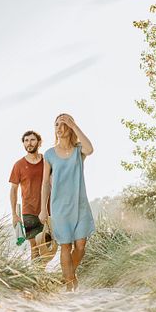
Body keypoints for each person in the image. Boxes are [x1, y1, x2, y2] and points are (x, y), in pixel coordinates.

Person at [38, 113, 95, 292]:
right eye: (57, 125)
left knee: (80, 246)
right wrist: (43, 210)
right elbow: (46, 183)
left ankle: (69, 275)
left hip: (80, 204)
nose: (60, 128)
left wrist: (75, 124)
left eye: (64, 124)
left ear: (70, 127)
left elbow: (90, 149)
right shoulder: (49, 154)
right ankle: (70, 283)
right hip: (60, 207)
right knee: (66, 245)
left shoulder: (79, 151)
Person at [9, 130, 46, 260]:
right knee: (35, 247)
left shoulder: (47, 161)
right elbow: (13, 190)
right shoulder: (18, 165)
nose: (29, 143)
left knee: (50, 243)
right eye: (26, 141)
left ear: (39, 142)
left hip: (48, 208)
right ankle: (37, 279)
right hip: (29, 211)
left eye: (32, 140)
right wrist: (14, 214)